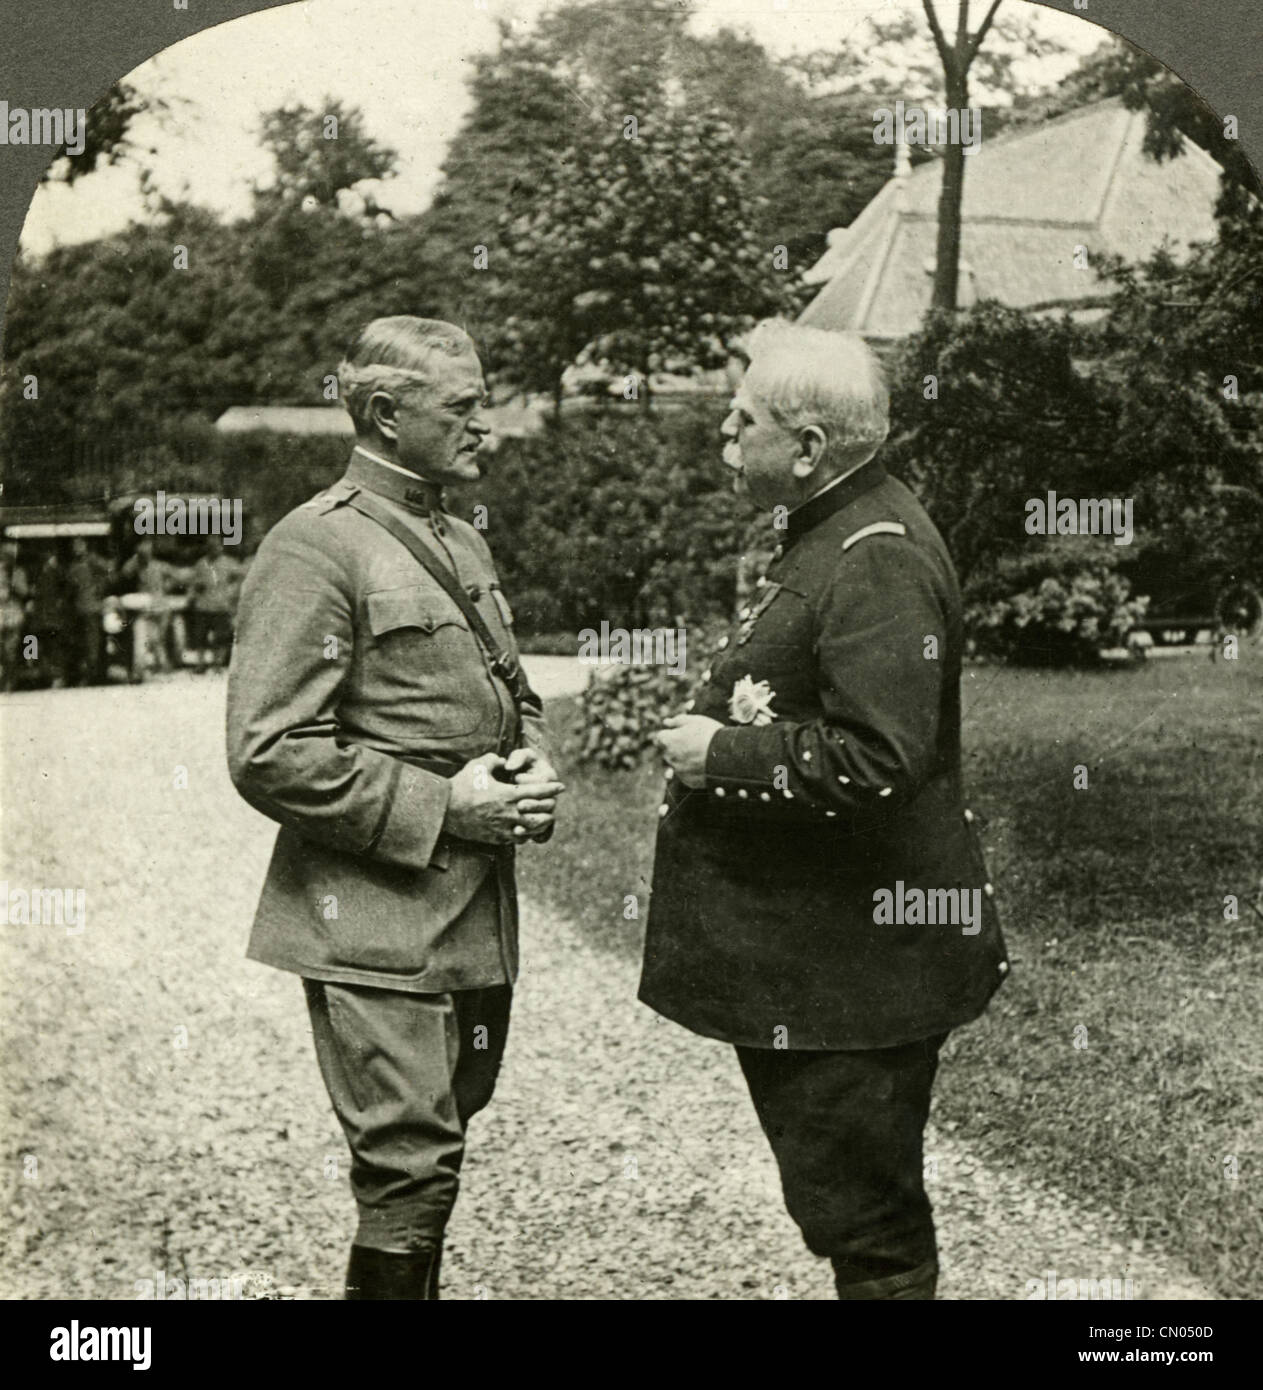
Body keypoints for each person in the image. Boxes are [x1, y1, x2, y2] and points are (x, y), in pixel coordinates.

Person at [640, 321, 1009, 1301]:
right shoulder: (842, 528)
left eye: (744, 416)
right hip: (846, 961)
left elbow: (880, 759)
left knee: (869, 1222)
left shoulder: (872, 553)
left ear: (807, 448)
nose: (724, 424)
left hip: (861, 967)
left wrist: (722, 751)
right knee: (851, 1206)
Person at [227, 316, 564, 1301]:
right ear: (384, 412)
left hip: (470, 912)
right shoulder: (313, 548)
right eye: (464, 408)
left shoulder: (456, 537)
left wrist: (527, 762)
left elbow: (511, 689)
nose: (487, 426)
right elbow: (267, 749)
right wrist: (445, 806)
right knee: (408, 1166)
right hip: (368, 913)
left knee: (450, 1126)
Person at [188, 539, 243, 671]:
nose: (213, 549)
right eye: (210, 546)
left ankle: (217, 663)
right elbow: (193, 582)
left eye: (216, 546)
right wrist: (194, 593)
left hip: (221, 604)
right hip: (203, 604)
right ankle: (200, 663)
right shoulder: (201, 563)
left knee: (221, 636)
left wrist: (232, 591)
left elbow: (241, 577)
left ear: (221, 547)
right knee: (200, 636)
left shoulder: (229, 563)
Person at [65, 538, 112, 687]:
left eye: (79, 545)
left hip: (92, 608)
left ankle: (95, 675)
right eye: (74, 546)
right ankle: (89, 674)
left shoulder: (92, 560)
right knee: (83, 643)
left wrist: (100, 588)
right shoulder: (73, 565)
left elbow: (109, 571)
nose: (77, 549)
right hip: (79, 609)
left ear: (86, 546)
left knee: (93, 643)